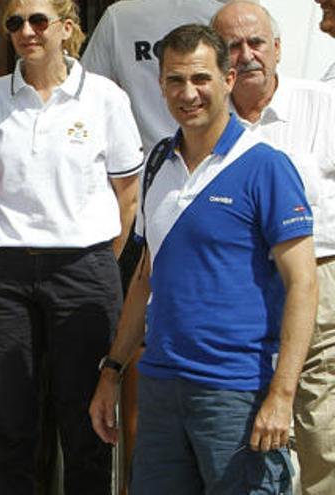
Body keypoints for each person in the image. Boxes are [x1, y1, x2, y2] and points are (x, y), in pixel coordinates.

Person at [88, 23, 318, 494]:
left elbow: (304, 284)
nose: (187, 93)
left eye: (200, 79)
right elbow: (145, 279)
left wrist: (282, 394)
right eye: (175, 80)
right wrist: (111, 370)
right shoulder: (156, 163)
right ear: (160, 85)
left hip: (237, 393)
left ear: (228, 79)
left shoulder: (266, 166)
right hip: (161, 388)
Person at [0, 1, 144, 493]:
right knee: (10, 418)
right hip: (7, 272)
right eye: (15, 23)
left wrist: (97, 262)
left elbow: (126, 195)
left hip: (84, 267)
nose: (27, 31)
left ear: (67, 28)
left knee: (86, 418)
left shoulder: (105, 97)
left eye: (38, 20)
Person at [210, 3, 335, 493]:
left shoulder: (324, 106)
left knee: (321, 434)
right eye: (233, 47)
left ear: (278, 48)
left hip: (319, 286)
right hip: (237, 294)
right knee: (243, 437)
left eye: (257, 43)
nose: (247, 55)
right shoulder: (205, 125)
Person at [82, 0, 227, 153]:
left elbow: (87, 96)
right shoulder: (119, 18)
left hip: (212, 155)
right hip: (151, 163)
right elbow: (89, 94)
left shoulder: (118, 17)